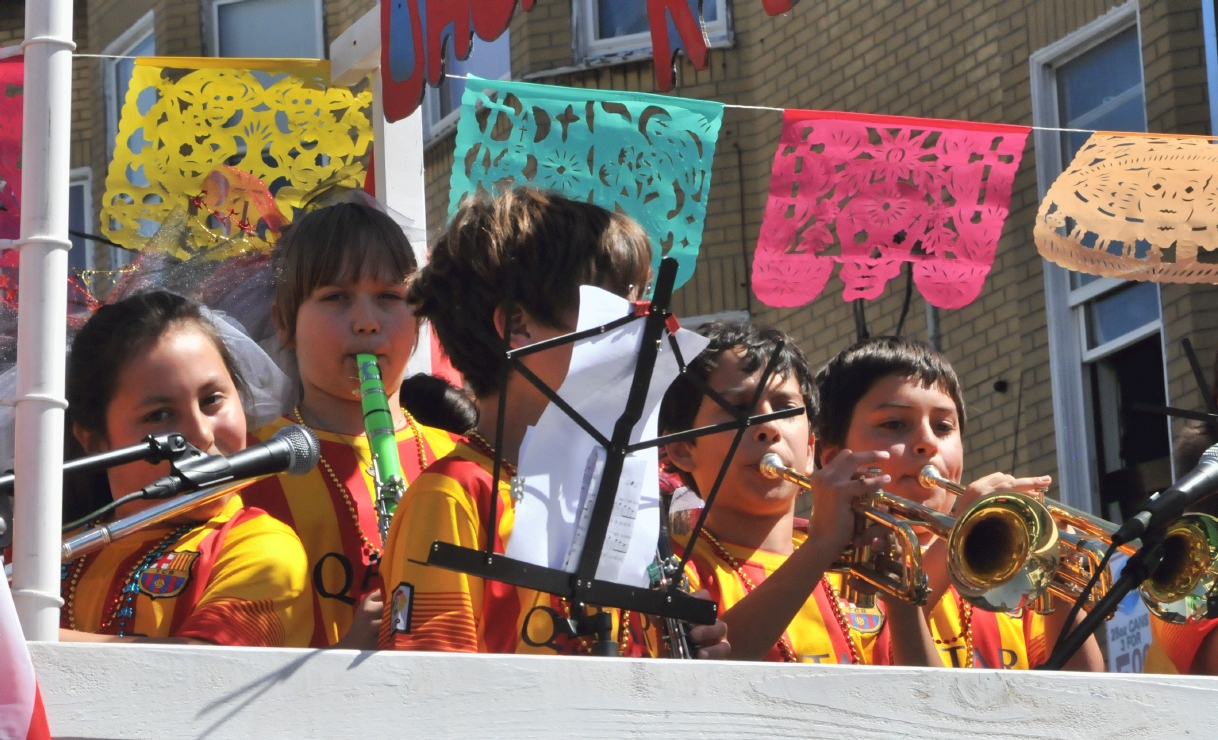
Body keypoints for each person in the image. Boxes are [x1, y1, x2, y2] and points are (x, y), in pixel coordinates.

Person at [379, 188, 727, 657]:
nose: (650, 326)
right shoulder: (456, 496)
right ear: (518, 326)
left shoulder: (626, 488)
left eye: (645, 303)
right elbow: (430, 699)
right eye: (618, 307)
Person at [240, 202, 461, 649]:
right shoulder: (247, 466)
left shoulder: (458, 460)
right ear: (285, 322)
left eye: (389, 297)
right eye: (336, 297)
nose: (365, 322)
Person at [814, 336, 1104, 670]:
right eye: (894, 424)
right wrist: (955, 539)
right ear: (836, 460)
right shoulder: (813, 571)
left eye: (943, 427)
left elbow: (1085, 694)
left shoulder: (1007, 569)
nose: (927, 442)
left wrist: (1057, 575)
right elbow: (889, 671)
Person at [660, 321, 937, 664]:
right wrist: (822, 546)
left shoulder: (854, 564)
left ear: (809, 450)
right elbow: (707, 674)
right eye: (739, 409)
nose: (768, 427)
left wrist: (901, 596)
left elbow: (927, 699)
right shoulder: (673, 568)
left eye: (783, 407)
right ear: (683, 447)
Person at [58, 291, 309, 645]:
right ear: (96, 442)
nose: (201, 433)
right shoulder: (44, 552)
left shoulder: (263, 547)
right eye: (160, 415)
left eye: (212, 400)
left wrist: (16, 642)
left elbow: (196, 675)